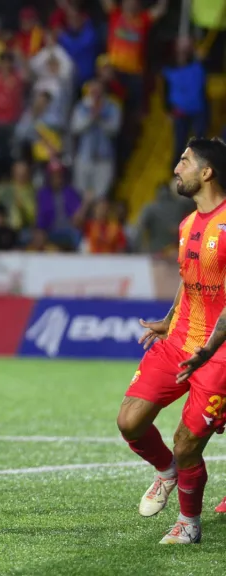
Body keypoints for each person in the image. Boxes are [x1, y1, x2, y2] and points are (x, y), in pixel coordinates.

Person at [117, 137, 226, 544]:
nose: (176, 168)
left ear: (206, 172)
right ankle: (166, 472)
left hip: (218, 353)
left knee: (186, 444)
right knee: (129, 421)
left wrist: (211, 349)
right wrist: (167, 320)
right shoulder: (186, 224)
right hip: (181, 338)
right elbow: (189, 279)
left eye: (184, 161)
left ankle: (189, 523)